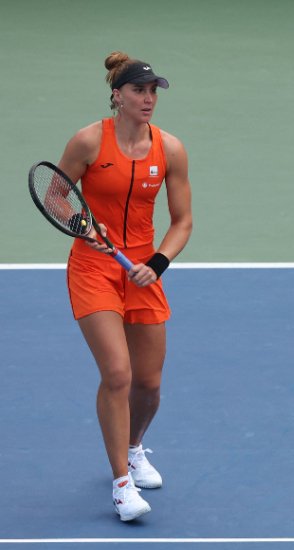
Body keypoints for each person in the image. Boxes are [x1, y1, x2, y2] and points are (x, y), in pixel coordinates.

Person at [55, 52, 193, 522]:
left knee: (149, 385)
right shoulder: (89, 142)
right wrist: (80, 224)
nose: (148, 99)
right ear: (117, 95)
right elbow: (56, 194)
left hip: (141, 272)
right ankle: (121, 485)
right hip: (93, 268)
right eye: (139, 91)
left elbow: (183, 222)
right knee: (118, 374)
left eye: (153, 91)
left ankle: (134, 447)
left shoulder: (169, 149)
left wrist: (156, 263)